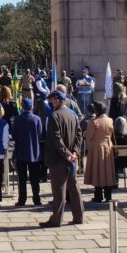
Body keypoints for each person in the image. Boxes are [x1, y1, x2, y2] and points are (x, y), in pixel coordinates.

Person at [40, 91, 84, 226]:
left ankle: (57, 219)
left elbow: (56, 138)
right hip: (71, 158)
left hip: (58, 159)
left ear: (57, 100)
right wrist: (75, 152)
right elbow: (79, 135)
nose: (50, 103)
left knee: (59, 190)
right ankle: (79, 216)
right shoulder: (72, 115)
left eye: (52, 100)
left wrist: (67, 154)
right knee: (74, 188)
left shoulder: (54, 116)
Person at [10, 97, 43, 206]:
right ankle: (36, 199)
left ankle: (22, 199)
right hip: (34, 152)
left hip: (21, 152)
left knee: (22, 179)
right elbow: (40, 133)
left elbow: (14, 135)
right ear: (31, 107)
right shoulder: (37, 119)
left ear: (22, 107)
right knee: (35, 178)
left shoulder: (18, 119)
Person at [83, 101, 117, 203]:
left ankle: (98, 196)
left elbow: (89, 137)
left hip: (96, 147)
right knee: (108, 171)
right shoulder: (110, 120)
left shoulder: (94, 122)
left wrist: (90, 146)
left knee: (97, 171)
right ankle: (108, 195)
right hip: (108, 147)